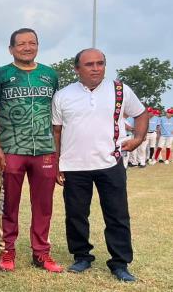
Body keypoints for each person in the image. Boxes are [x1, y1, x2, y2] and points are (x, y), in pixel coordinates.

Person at [52, 48, 148, 282]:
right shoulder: (63, 95)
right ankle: (82, 256)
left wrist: (138, 139)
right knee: (76, 215)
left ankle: (120, 262)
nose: (96, 68)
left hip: (110, 161)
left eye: (100, 63)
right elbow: (57, 131)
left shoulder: (120, 90)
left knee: (117, 215)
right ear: (77, 69)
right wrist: (57, 163)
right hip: (74, 165)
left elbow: (141, 114)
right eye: (89, 64)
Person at [0, 28, 63, 272]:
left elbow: (58, 116)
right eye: (21, 44)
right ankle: (7, 252)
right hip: (11, 149)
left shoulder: (50, 75)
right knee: (9, 203)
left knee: (43, 205)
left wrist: (58, 153)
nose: (27, 47)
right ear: (11, 49)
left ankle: (41, 253)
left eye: (32, 43)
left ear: (38, 46)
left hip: (44, 149)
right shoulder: (0, 75)